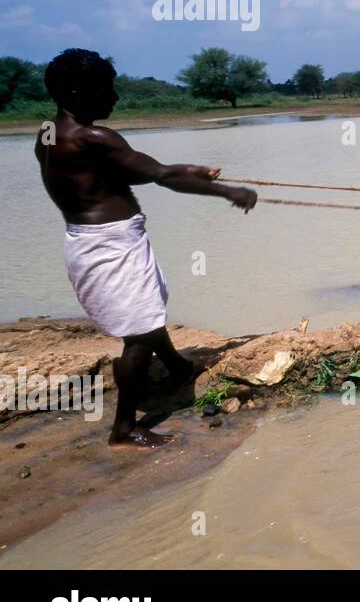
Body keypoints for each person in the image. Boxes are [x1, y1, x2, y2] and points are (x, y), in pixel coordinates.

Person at [34, 49, 257, 449]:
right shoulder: (94, 137)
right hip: (111, 244)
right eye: (106, 89)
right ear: (76, 92)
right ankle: (124, 428)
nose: (115, 97)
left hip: (88, 241)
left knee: (146, 313)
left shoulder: (50, 133)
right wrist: (228, 192)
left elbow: (128, 173)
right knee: (137, 334)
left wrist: (185, 170)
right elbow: (157, 175)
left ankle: (177, 368)